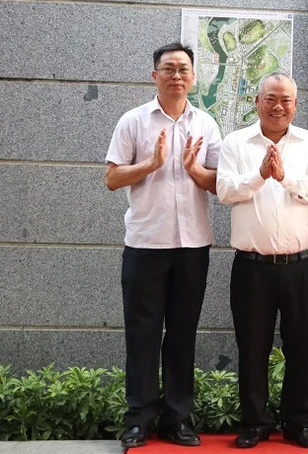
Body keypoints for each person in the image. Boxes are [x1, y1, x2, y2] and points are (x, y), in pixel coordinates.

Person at [105, 42, 221, 449]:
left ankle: (177, 418)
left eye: (183, 69)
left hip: (193, 246)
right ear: (154, 75)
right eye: (168, 68)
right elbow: (112, 178)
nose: (176, 75)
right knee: (142, 333)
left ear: (193, 77)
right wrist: (151, 164)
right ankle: (139, 419)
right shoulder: (133, 121)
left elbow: (219, 184)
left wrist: (194, 170)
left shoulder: (206, 123)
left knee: (183, 333)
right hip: (146, 244)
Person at [216, 73, 308, 449]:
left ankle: (299, 422)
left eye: (286, 100)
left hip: (303, 266)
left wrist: (284, 176)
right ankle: (255, 422)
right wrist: (260, 175)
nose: (278, 106)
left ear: (296, 104)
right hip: (253, 267)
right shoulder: (236, 142)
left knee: (302, 347)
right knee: (252, 347)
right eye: (271, 99)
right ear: (257, 101)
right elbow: (225, 191)